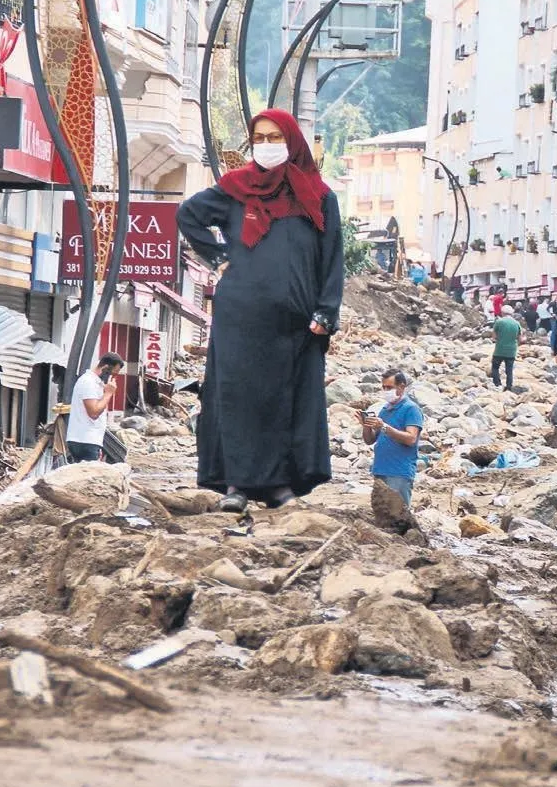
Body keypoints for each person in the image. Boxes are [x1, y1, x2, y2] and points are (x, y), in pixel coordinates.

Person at [178, 108, 343, 514]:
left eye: (275, 138)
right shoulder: (236, 189)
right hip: (240, 318)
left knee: (287, 401)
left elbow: (331, 259)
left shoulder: (318, 197)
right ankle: (236, 485)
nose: (267, 146)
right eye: (260, 139)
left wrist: (326, 311)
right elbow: (189, 215)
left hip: (296, 323)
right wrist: (217, 258)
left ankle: (280, 486)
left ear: (292, 141)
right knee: (238, 399)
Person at [361, 369, 424, 510]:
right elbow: (370, 440)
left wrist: (384, 426)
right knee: (382, 513)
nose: (385, 391)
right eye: (383, 387)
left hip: (399, 472)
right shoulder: (385, 410)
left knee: (398, 514)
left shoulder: (411, 409)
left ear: (401, 387)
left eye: (389, 388)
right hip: (380, 469)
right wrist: (366, 425)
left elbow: (411, 438)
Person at [64, 352, 124, 464]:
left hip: (87, 439)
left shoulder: (95, 383)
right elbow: (94, 412)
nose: (112, 378)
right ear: (105, 368)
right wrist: (108, 394)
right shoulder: (88, 382)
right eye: (112, 374)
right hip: (85, 441)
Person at [490, 310, 522, 390]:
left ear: (502, 313)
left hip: (499, 349)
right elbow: (520, 339)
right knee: (509, 370)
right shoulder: (517, 323)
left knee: (495, 367)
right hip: (511, 350)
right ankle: (509, 386)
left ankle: (497, 384)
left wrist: (498, 339)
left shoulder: (499, 322)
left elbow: (494, 337)